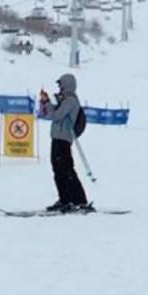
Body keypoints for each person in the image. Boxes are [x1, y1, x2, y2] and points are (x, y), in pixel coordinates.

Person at [39, 73, 89, 211]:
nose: (59, 87)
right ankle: (65, 199)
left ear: (67, 84)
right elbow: (49, 115)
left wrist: (50, 103)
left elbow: (57, 115)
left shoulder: (71, 101)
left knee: (66, 170)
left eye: (61, 84)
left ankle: (78, 199)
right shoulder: (64, 100)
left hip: (63, 140)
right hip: (57, 138)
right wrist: (45, 102)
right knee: (59, 170)